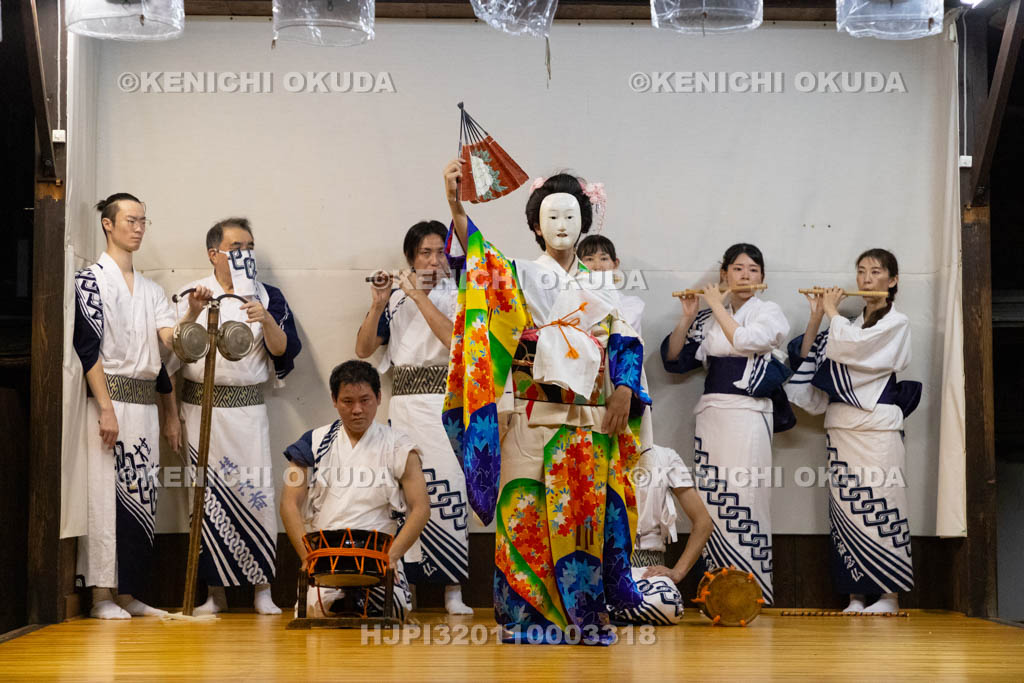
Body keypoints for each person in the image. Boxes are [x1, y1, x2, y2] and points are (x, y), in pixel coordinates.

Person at [442, 162, 651, 645]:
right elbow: (478, 258)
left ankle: (585, 617)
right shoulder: (515, 274)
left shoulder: (602, 285)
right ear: (535, 225)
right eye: (552, 216)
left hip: (587, 421)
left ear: (586, 223)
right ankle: (526, 618)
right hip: (531, 417)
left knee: (583, 524)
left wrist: (624, 387)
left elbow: (625, 340)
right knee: (525, 515)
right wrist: (455, 206)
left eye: (572, 216)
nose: (562, 225)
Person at [576, 235, 714, 624]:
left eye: (605, 259)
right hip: (599, 570)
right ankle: (599, 607)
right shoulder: (591, 460)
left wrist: (676, 573)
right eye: (589, 259)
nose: (598, 265)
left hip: (647, 573)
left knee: (663, 605)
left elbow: (703, 522)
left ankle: (612, 609)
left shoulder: (663, 458)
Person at [168, 217, 301, 616]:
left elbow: (284, 350)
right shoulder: (191, 292)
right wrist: (171, 416)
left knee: (255, 493)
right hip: (200, 406)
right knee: (204, 500)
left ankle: (262, 588)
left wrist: (266, 318)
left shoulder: (268, 295)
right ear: (214, 254)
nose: (245, 255)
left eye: (249, 247)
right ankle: (214, 593)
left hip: (247, 410)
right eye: (236, 248)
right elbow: (171, 359)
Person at [73, 192, 192, 619]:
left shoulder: (153, 291)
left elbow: (168, 349)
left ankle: (130, 592)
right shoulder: (89, 281)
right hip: (109, 399)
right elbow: (88, 350)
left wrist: (192, 315)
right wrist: (105, 407)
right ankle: (101, 593)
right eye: (130, 220)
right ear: (108, 224)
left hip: (143, 404)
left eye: (144, 221)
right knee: (104, 495)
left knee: (143, 495)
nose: (138, 228)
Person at [786, 249, 920, 614]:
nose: (866, 279)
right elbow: (814, 357)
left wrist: (832, 313)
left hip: (877, 426)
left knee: (884, 504)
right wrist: (819, 314)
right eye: (861, 272)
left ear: (892, 280)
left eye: (876, 272)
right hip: (842, 426)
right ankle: (856, 595)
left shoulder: (897, 322)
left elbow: (855, 350)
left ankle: (889, 594)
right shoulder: (848, 323)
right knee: (847, 510)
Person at [661, 243, 791, 606]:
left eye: (752, 270)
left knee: (747, 497)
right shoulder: (706, 319)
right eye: (737, 269)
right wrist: (688, 315)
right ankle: (715, 592)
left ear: (762, 277)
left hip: (749, 414)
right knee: (713, 500)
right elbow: (674, 359)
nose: (745, 276)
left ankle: (752, 593)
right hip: (711, 415)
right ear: (724, 275)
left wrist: (715, 304)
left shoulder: (770, 312)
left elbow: (748, 340)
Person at [354, 221, 472, 615]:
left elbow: (455, 343)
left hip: (445, 405)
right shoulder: (395, 299)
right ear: (410, 257)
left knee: (449, 488)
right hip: (404, 403)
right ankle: (408, 586)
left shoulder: (459, 296)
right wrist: (377, 301)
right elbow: (363, 349)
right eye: (425, 253)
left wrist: (420, 296)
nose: (434, 260)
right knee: (405, 495)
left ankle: (453, 589)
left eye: (441, 252)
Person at [279, 360, 430, 620]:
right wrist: (307, 557)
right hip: (325, 556)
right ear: (334, 400)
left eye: (365, 400)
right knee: (317, 612)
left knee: (391, 611)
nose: (357, 410)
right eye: (347, 401)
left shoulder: (400, 446)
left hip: (379, 555)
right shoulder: (311, 443)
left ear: (379, 398)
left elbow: (421, 507)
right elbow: (289, 503)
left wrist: (392, 557)